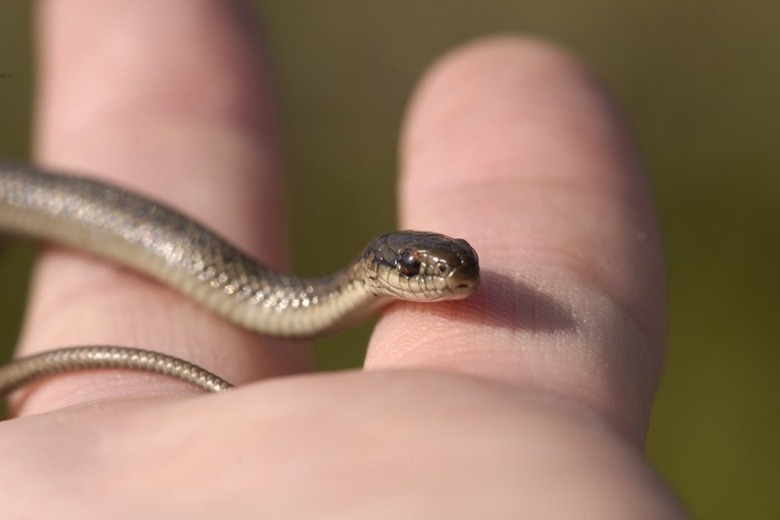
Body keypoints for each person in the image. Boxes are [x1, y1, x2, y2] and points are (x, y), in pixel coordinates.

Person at [1, 1, 685, 517]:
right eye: (420, 268)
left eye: (456, 263)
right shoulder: (334, 283)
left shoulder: (350, 289)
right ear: (380, 268)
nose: (448, 278)